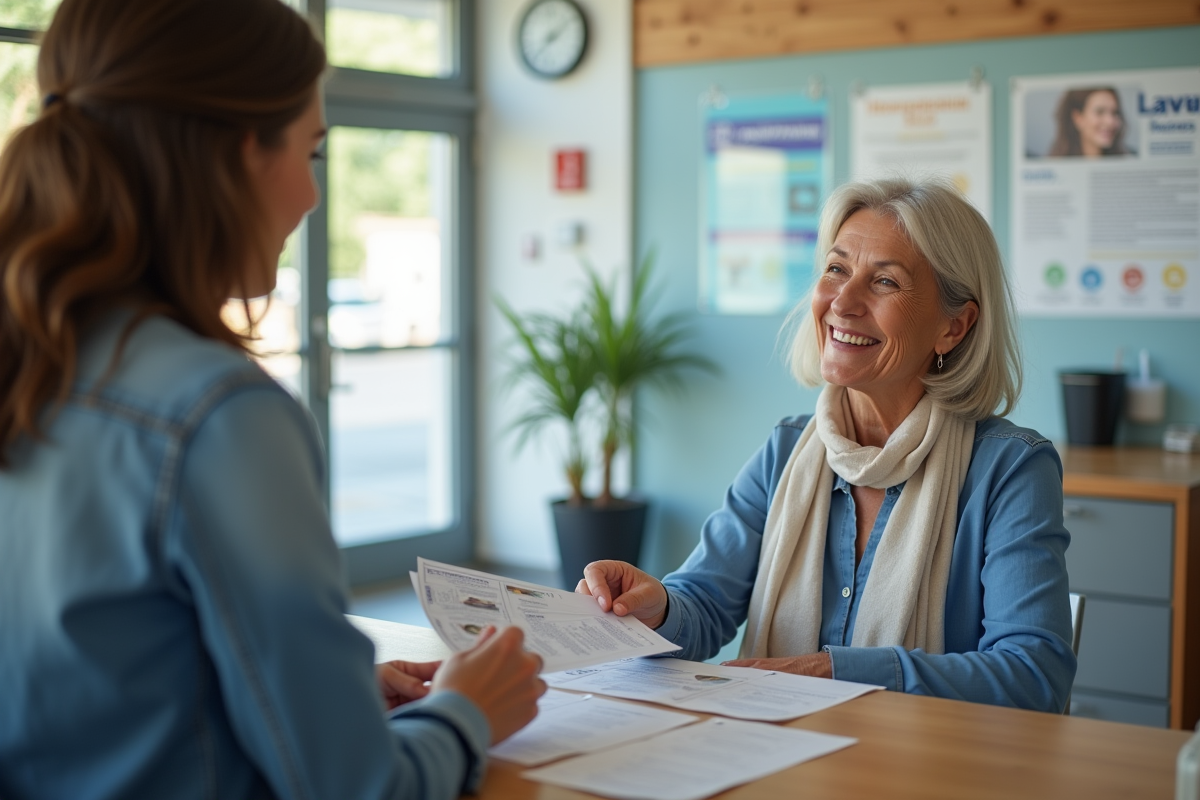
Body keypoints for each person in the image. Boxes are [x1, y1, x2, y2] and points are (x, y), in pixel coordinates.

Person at [0, 1, 545, 799]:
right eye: (312, 151)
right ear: (238, 154)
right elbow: (353, 787)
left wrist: (337, 697)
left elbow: (97, 694)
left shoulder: (35, 367)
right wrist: (466, 711)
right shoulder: (217, 414)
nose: (314, 199)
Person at [578, 177, 1077, 713]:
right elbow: (701, 607)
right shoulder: (787, 449)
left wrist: (835, 671)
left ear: (954, 327)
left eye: (885, 281)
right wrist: (657, 608)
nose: (843, 300)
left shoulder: (1010, 469)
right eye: (836, 269)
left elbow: (1034, 676)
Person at [1048, 87, 1131, 157]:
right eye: (1100, 112)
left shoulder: (1129, 159)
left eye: (1115, 113)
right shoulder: (1055, 164)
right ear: (1078, 118)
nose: (1110, 121)